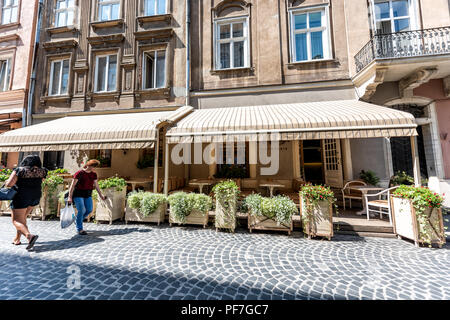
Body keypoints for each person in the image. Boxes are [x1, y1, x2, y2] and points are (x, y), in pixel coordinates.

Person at [5, 155, 48, 250]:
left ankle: (29, 236)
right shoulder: (43, 170)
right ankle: (17, 239)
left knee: (16, 220)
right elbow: (42, 180)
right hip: (35, 197)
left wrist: (7, 181)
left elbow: (9, 184)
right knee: (22, 218)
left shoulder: (20, 170)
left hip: (21, 197)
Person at [68, 159, 106, 235]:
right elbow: (72, 186)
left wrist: (101, 194)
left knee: (89, 209)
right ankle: (80, 229)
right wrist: (70, 197)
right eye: (93, 166)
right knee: (81, 210)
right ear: (88, 165)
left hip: (88, 193)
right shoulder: (79, 173)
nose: (94, 168)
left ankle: (78, 220)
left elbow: (96, 185)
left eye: (95, 167)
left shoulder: (94, 174)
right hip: (78, 193)